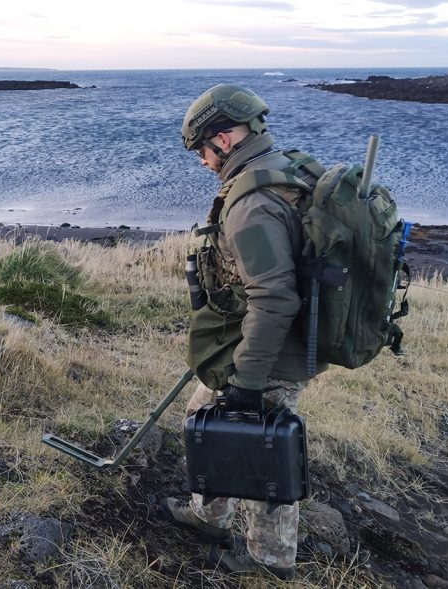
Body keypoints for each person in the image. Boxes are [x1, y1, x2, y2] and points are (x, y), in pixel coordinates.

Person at [160, 84, 322, 580]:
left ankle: (269, 562)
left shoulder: (252, 202)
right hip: (254, 338)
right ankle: (210, 515)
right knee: (203, 414)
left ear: (225, 138)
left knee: (264, 443)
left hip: (269, 349)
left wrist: (248, 382)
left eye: (203, 151)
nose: (203, 163)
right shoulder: (282, 167)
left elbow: (274, 297)